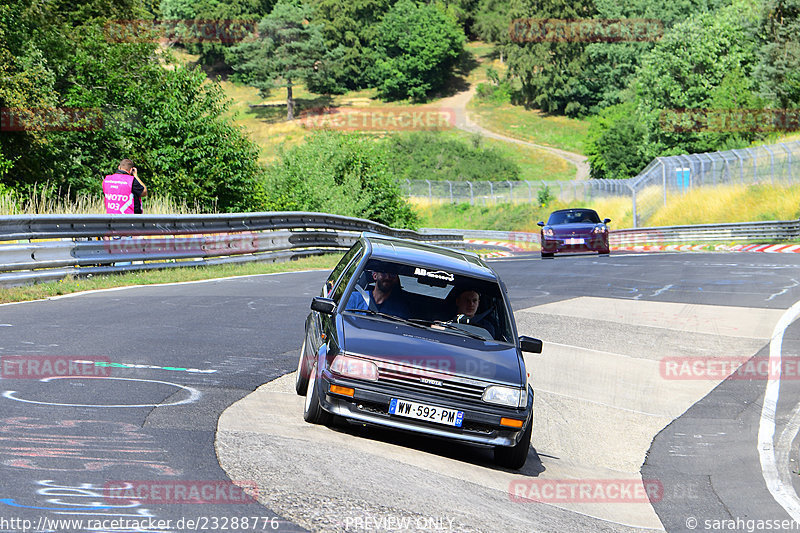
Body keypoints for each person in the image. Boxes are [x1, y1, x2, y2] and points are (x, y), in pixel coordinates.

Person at [345, 270, 410, 319]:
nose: (387, 277)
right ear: (375, 276)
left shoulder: (399, 309)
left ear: (396, 279)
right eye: (383, 273)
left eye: (392, 274)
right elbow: (345, 323)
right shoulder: (354, 298)